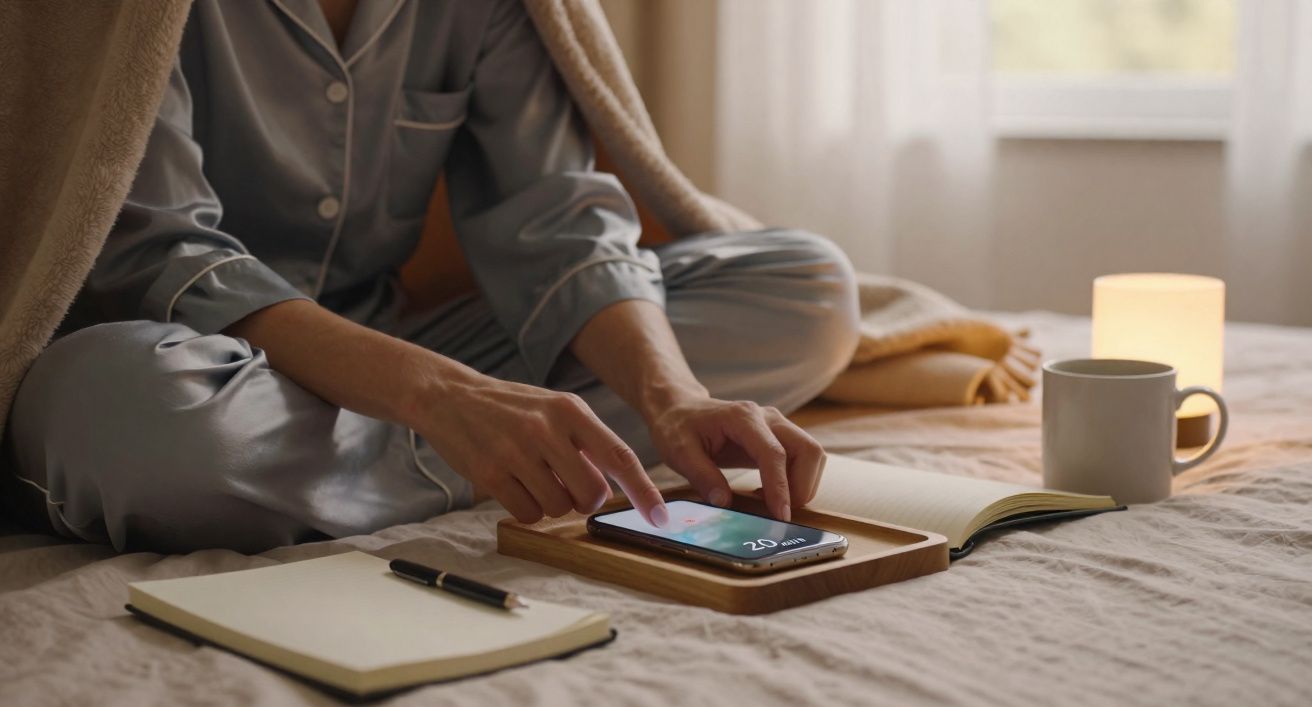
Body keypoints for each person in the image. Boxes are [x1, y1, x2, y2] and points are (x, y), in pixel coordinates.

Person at [5, 0, 860, 553]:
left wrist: (672, 398)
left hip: (384, 357)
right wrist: (445, 400)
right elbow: (152, 252)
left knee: (808, 287)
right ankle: (509, 448)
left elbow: (558, 224)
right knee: (110, 410)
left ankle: (487, 448)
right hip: (190, 364)